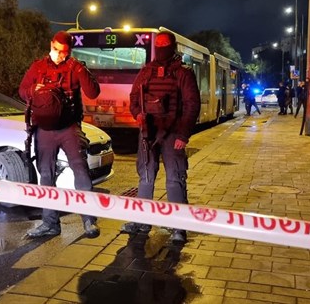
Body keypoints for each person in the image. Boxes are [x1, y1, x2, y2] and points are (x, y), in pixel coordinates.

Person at [20, 31, 101, 239]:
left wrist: (80, 69)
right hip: (44, 129)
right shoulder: (38, 66)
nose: (59, 55)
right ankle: (50, 223)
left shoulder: (75, 67)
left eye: (64, 52)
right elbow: (22, 91)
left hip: (68, 127)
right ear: (51, 45)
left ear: (70, 51)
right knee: (46, 175)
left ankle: (89, 220)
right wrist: (33, 90)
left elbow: (93, 92)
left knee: (80, 170)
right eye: (56, 49)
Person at [121, 31, 200, 244]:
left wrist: (183, 135)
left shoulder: (183, 73)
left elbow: (192, 105)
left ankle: (178, 227)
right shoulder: (146, 71)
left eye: (165, 45)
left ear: (172, 47)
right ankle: (142, 221)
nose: (161, 49)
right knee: (146, 176)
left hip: (173, 132)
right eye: (159, 45)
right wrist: (138, 115)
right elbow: (134, 98)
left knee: (175, 178)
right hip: (148, 132)